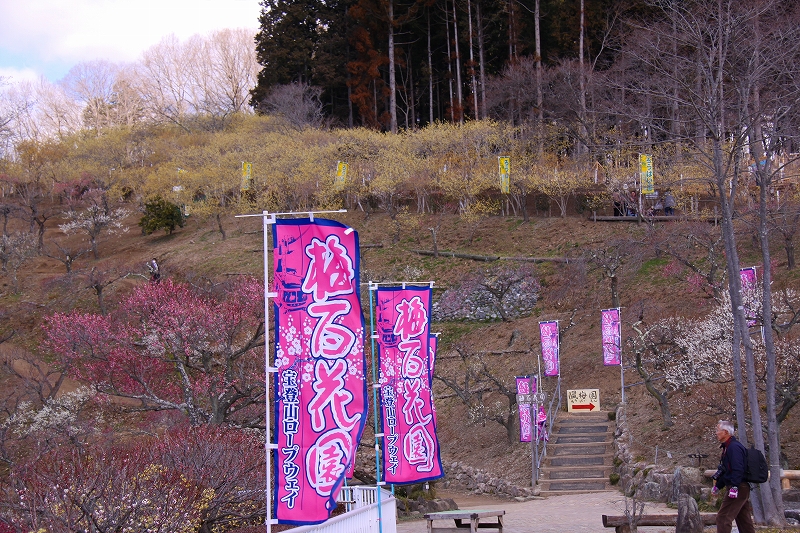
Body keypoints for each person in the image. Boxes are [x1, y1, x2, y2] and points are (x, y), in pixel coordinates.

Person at [712, 420, 755, 533]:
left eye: (718, 430)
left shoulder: (734, 448)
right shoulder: (728, 447)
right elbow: (726, 471)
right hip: (739, 487)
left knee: (723, 518)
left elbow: (738, 469)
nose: (716, 433)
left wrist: (734, 487)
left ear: (725, 432)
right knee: (744, 521)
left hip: (738, 487)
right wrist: (718, 486)